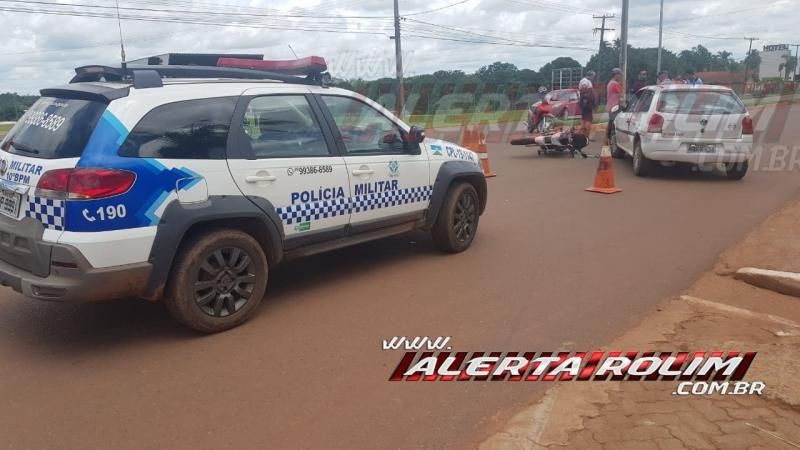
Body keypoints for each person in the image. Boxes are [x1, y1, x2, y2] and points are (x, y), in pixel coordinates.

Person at [606, 68, 624, 145]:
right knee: (614, 123)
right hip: (615, 106)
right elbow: (621, 95)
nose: (621, 77)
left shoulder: (610, 83)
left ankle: (608, 139)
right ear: (616, 75)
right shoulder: (615, 84)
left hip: (611, 106)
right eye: (620, 75)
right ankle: (611, 139)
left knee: (611, 122)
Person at [578, 70, 596, 138]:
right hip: (586, 102)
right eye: (593, 76)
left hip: (584, 102)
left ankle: (583, 133)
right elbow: (584, 88)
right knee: (588, 119)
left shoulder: (584, 80)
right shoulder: (585, 81)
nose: (593, 78)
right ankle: (586, 135)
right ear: (590, 75)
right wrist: (586, 99)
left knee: (584, 118)